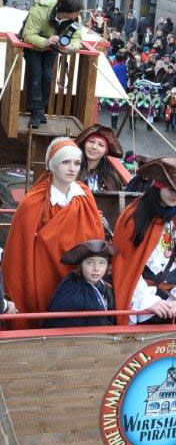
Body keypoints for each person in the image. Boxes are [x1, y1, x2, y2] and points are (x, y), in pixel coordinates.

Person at [1, 138, 104, 329]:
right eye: (65, 162)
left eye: (77, 163)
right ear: (52, 165)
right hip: (43, 274)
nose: (72, 168)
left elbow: (96, 237)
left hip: (79, 274)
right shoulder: (33, 201)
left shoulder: (85, 195)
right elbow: (19, 250)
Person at [111, 158, 176, 325]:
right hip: (143, 305)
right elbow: (125, 264)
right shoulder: (134, 215)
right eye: (171, 189)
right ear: (158, 186)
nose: (175, 195)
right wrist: (149, 301)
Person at [21, 0, 84, 128]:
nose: (79, 14)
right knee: (36, 77)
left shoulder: (75, 18)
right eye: (77, 12)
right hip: (34, 46)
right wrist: (46, 41)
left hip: (52, 49)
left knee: (47, 78)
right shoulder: (41, 9)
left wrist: (68, 47)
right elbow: (28, 34)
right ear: (67, 11)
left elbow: (77, 39)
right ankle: (35, 113)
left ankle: (41, 111)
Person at [44, 240, 117, 328]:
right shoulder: (72, 291)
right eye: (90, 263)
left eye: (102, 263)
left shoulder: (106, 285)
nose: (96, 268)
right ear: (81, 265)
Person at [75, 124, 125, 192]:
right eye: (91, 141)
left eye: (101, 145)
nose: (94, 147)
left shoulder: (110, 177)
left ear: (105, 151)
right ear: (85, 144)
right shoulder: (73, 169)